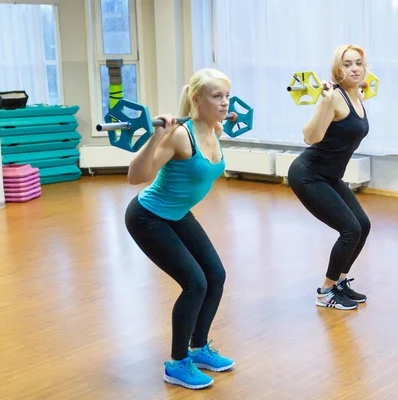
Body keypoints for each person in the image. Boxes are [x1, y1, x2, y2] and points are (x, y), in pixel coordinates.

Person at [124, 68, 235, 390]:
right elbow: (135, 176)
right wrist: (155, 137)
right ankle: (176, 364)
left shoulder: (214, 127)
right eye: (217, 96)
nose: (226, 102)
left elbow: (219, 125)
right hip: (148, 216)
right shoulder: (178, 135)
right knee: (195, 283)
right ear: (196, 99)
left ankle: (199, 348)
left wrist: (218, 120)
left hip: (178, 214)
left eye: (227, 95)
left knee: (216, 275)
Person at [287, 44, 372, 311]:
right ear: (338, 69)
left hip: (331, 176)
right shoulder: (333, 97)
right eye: (347, 64)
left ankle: (340, 282)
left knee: (363, 225)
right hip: (309, 175)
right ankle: (325, 292)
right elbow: (310, 138)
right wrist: (323, 102)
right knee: (350, 230)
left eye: (358, 63)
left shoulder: (357, 96)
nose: (354, 68)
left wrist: (361, 87)